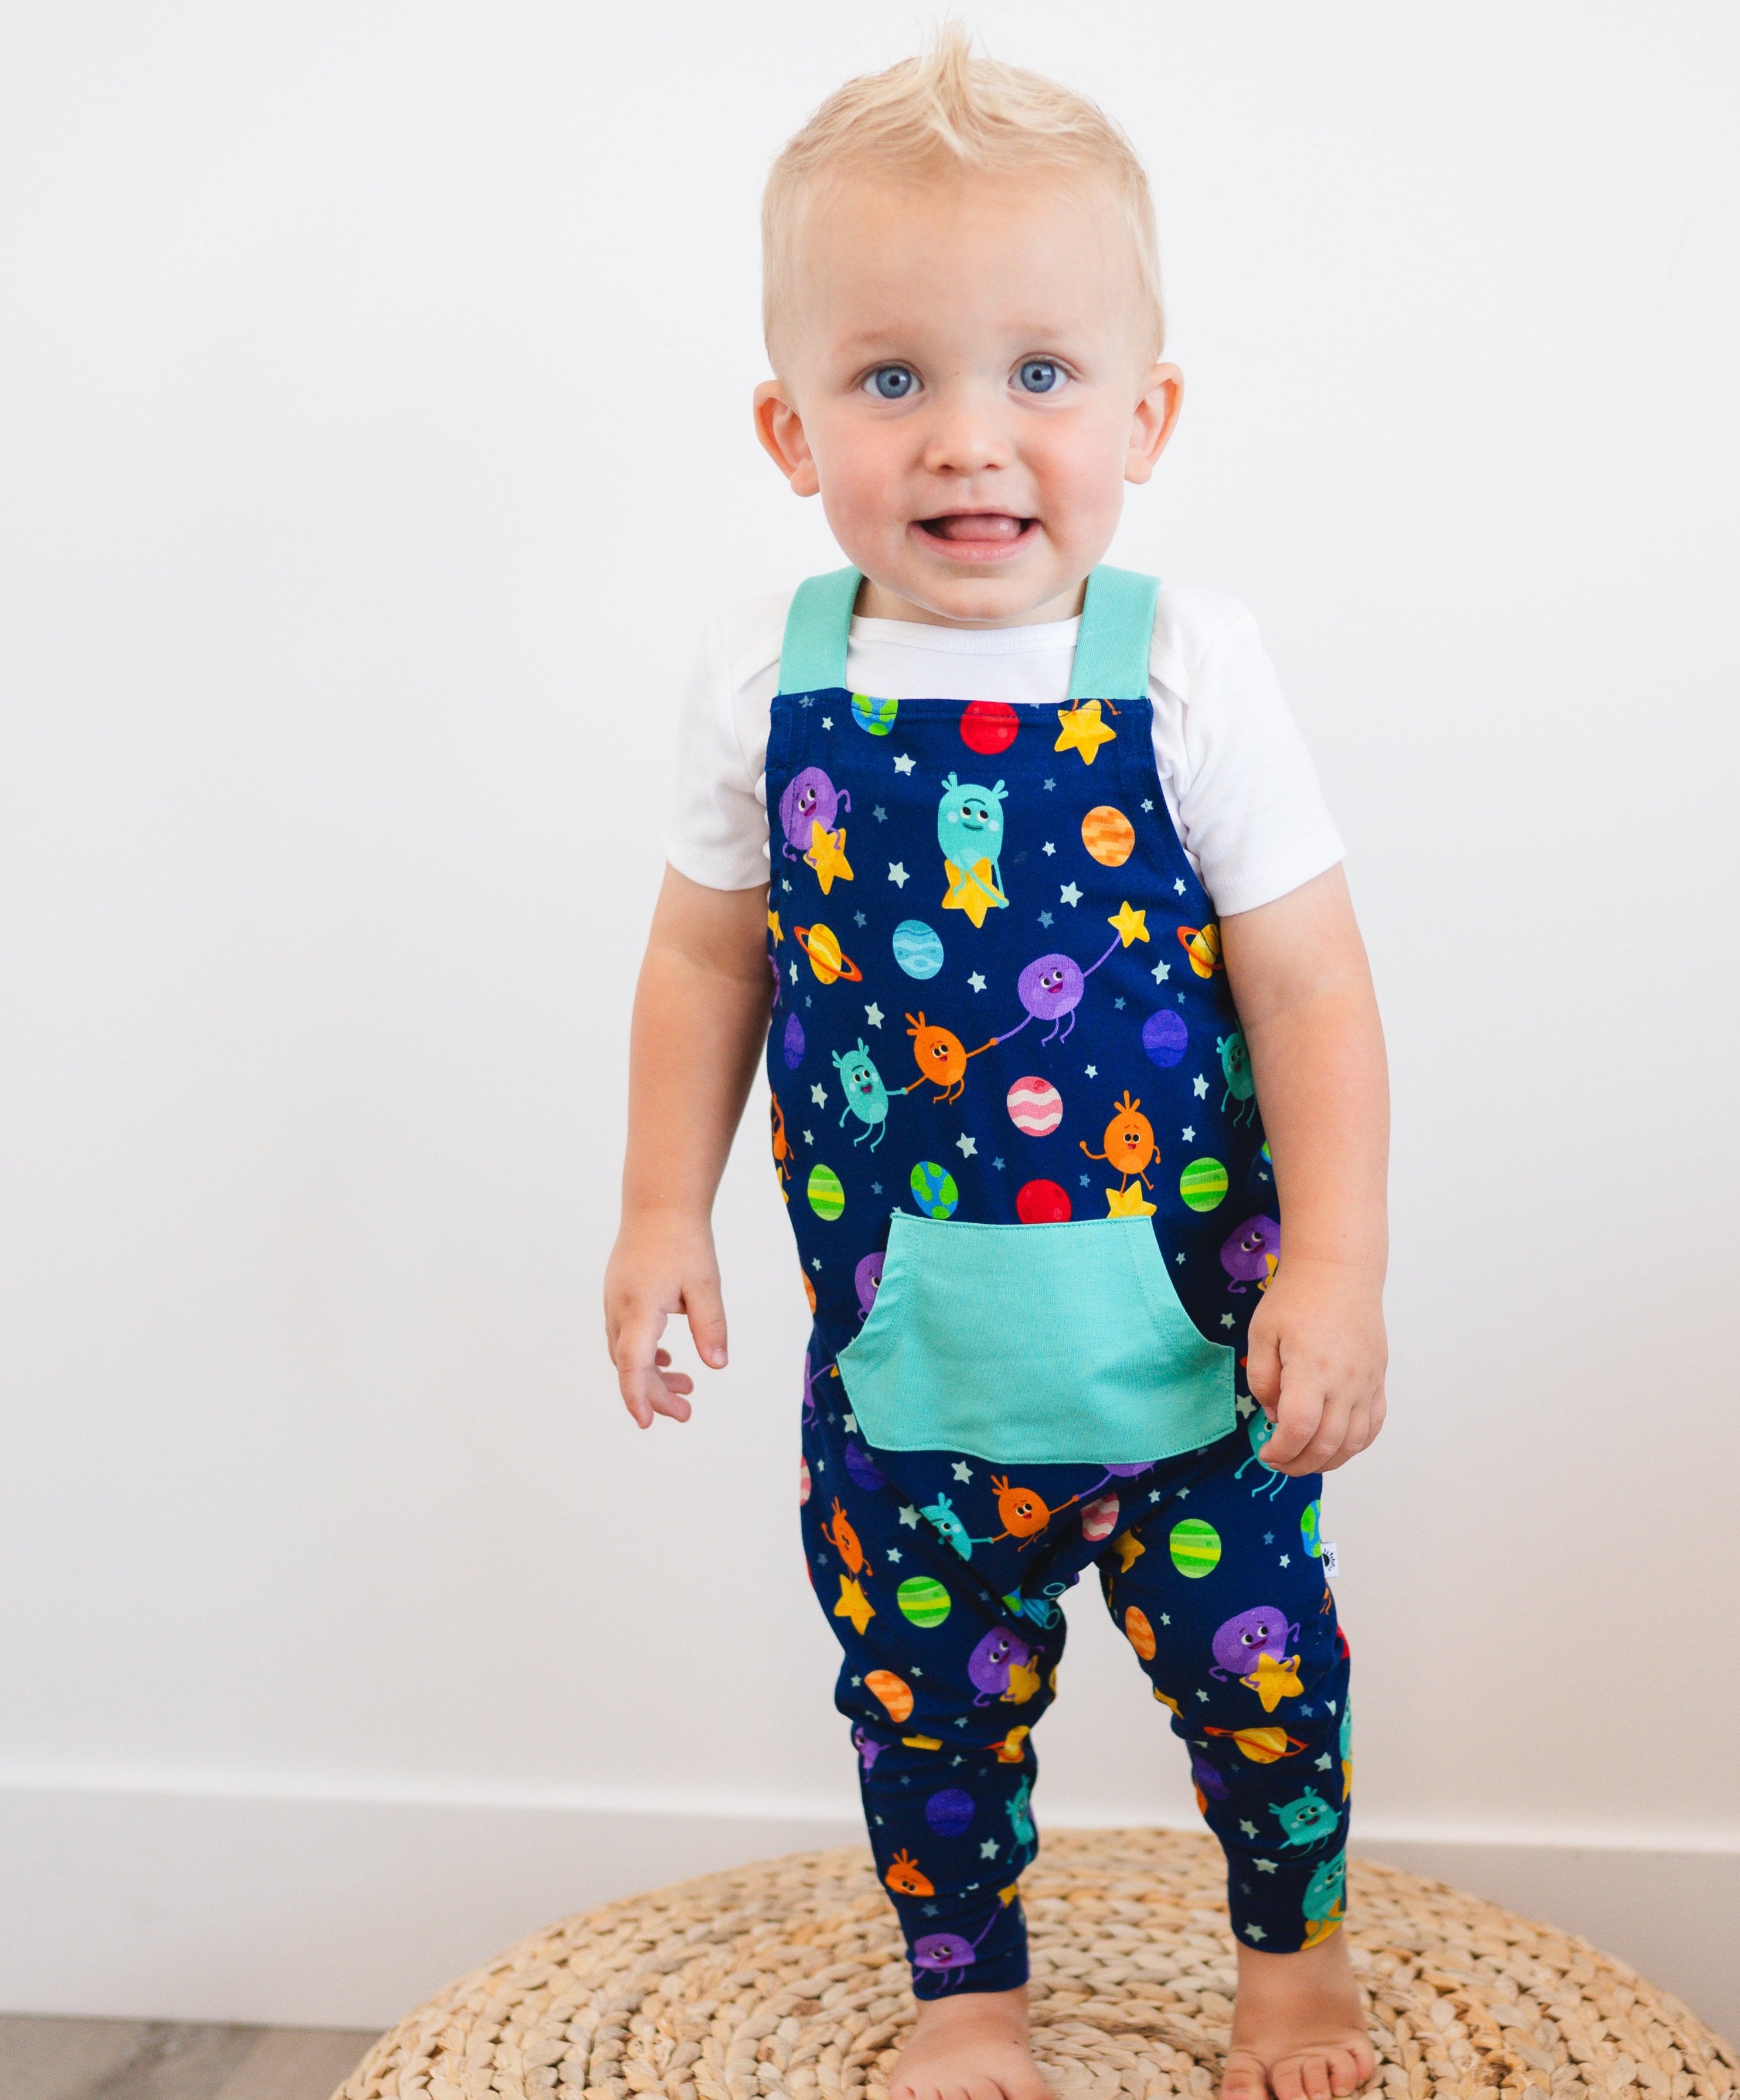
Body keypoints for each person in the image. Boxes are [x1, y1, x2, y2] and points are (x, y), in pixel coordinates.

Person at [605, 30, 1388, 2100]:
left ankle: (1293, 1966)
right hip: (904, 1369)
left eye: (1040, 375)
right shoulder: (764, 680)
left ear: (1151, 409)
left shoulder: (1187, 663)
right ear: (789, 426)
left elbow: (1311, 988)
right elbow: (704, 960)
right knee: (918, 1700)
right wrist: (656, 1209)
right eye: (895, 380)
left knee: (1267, 1685)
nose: (971, 441)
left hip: (1196, 1352)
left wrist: (1341, 1270)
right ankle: (968, 1998)